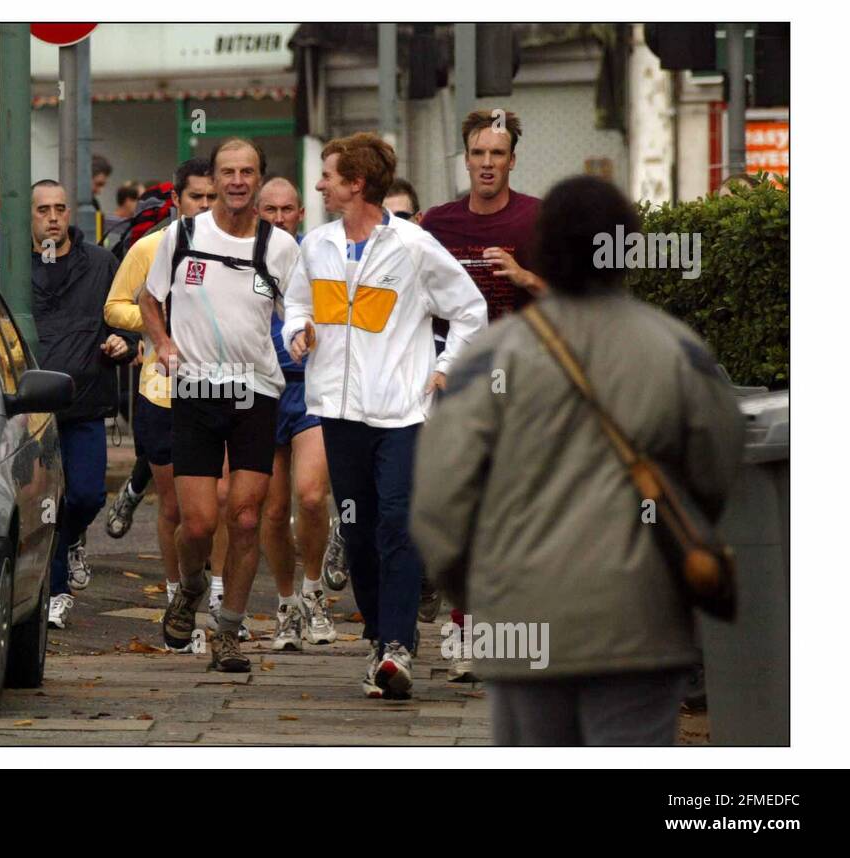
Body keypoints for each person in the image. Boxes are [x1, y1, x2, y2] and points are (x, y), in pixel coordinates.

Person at [410, 175, 744, 744]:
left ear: (543, 249)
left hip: (522, 619)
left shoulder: (491, 357)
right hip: (641, 622)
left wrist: (476, 591)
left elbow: (440, 497)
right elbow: (717, 471)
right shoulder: (676, 351)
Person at [283, 132, 486, 699]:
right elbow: (297, 303)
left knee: (397, 523)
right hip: (339, 412)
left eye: (327, 176)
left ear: (356, 184)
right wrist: (297, 331)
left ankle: (398, 646)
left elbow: (470, 310)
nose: (319, 184)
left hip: (402, 414)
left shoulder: (414, 247)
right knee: (359, 527)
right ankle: (379, 639)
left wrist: (446, 369)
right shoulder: (316, 245)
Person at [140, 138, 300, 672]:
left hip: (255, 390)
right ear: (214, 179)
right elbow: (148, 298)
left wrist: (302, 334)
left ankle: (228, 631)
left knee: (248, 516)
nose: (237, 181)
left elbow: (297, 310)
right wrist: (162, 343)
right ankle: (189, 587)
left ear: (259, 179)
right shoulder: (182, 235)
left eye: (247, 172)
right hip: (196, 390)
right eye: (227, 172)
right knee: (201, 523)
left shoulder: (281, 248)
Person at [419, 110, 546, 678]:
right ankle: (467, 628)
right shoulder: (436, 224)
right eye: (478, 153)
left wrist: (523, 278)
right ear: (465, 159)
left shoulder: (537, 219)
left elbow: (578, 298)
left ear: (512, 160)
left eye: (498, 154)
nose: (488, 163)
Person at [103, 159, 217, 649]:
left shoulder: (240, 249)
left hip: (224, 387)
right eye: (197, 198)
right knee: (174, 504)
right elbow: (114, 306)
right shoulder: (151, 248)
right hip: (163, 389)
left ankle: (219, 600)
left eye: (213, 198)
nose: (206, 207)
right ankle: (179, 599)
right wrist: (158, 324)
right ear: (177, 201)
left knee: (225, 502)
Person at [29, 180, 137, 628]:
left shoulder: (100, 263)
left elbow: (126, 314)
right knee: (44, 505)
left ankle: (72, 540)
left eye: (60, 208)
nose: (53, 217)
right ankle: (55, 593)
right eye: (42, 210)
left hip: (86, 401)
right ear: (29, 217)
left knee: (87, 494)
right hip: (32, 409)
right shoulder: (12, 271)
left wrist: (124, 341)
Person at [255, 177, 339, 650]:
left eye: (288, 209)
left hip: (310, 388)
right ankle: (285, 606)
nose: (280, 218)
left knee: (310, 496)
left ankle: (314, 593)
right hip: (261, 391)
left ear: (301, 212)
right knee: (271, 507)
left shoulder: (318, 254)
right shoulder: (243, 256)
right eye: (270, 210)